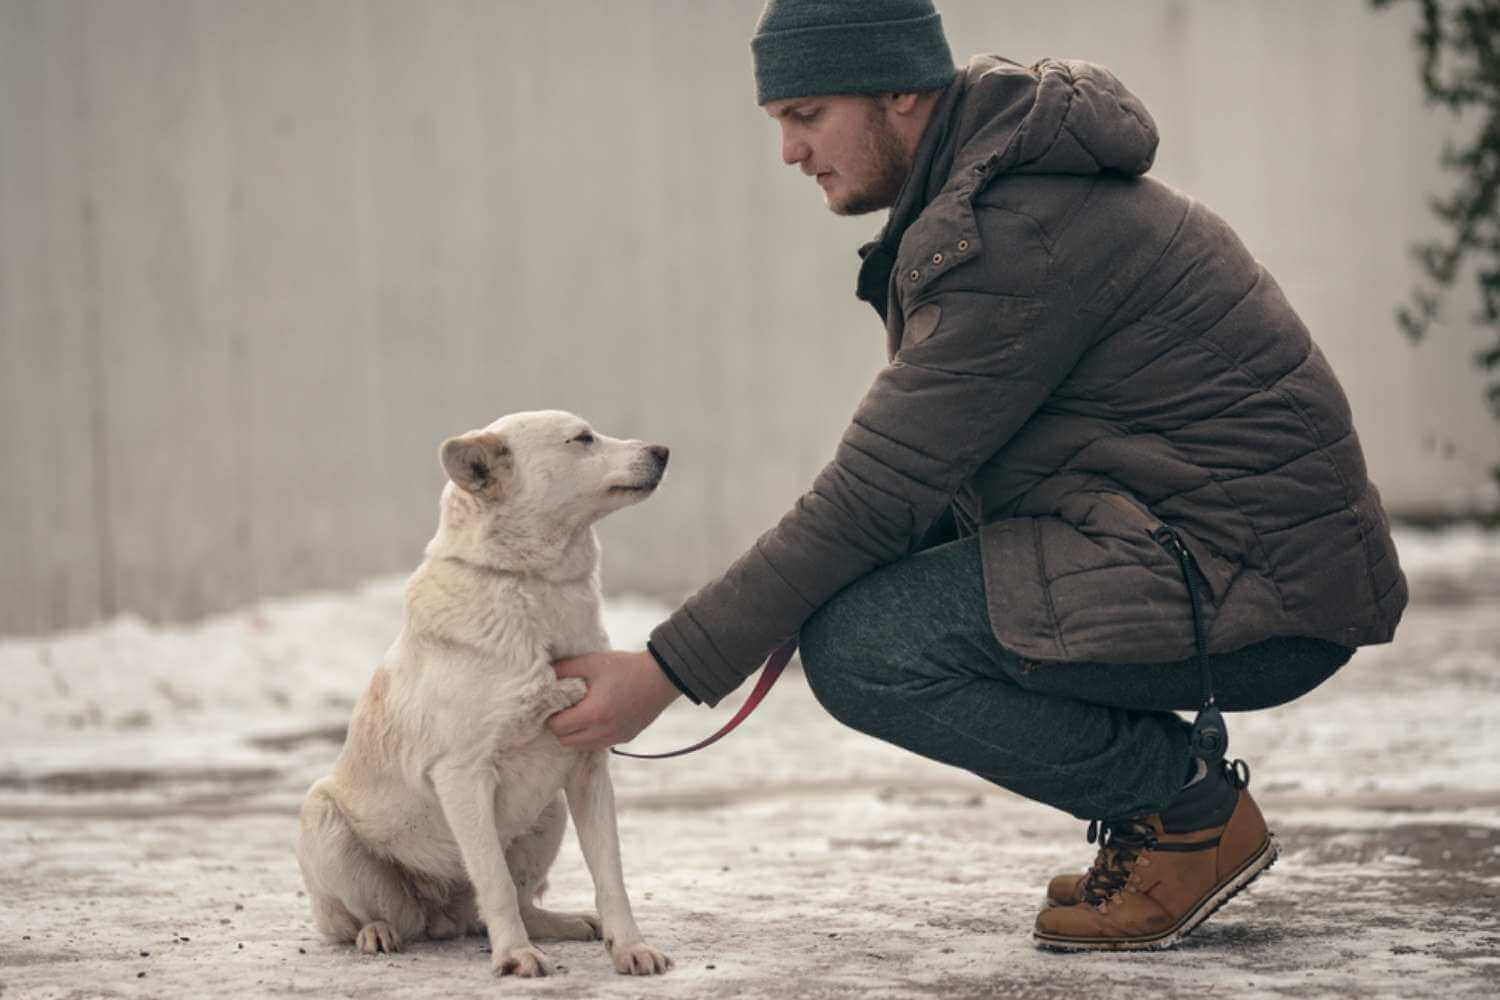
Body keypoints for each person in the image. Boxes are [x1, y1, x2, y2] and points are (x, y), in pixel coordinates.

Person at [546, 0, 1406, 951]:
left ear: (902, 89)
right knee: (876, 595)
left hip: (1256, 587)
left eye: (806, 115)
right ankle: (1167, 808)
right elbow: (915, 486)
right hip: (1213, 552)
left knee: (869, 646)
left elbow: (874, 496)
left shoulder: (1012, 235)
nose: (789, 151)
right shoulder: (1003, 195)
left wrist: (664, 672)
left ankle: (1184, 815)